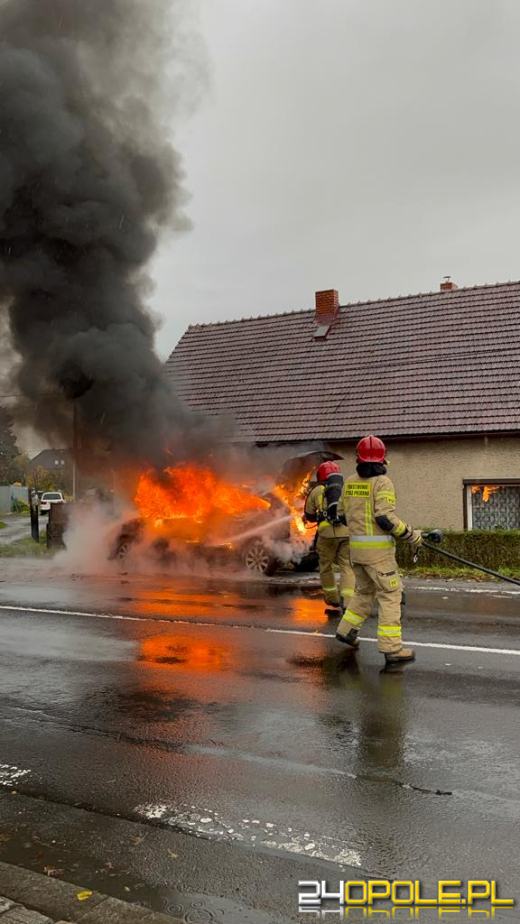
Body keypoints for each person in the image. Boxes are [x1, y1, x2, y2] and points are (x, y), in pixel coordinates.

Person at [335, 435, 422, 664]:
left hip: (356, 553)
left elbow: (341, 515)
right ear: (383, 459)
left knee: (364, 593)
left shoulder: (349, 482)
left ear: (358, 458)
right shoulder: (383, 483)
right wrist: (411, 535)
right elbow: (384, 518)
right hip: (379, 556)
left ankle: (346, 630)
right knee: (391, 594)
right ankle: (392, 649)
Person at [304, 461, 355, 617]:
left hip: (326, 535)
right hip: (346, 532)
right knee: (347, 566)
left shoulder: (317, 490)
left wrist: (320, 515)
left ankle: (332, 598)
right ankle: (348, 602)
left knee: (326, 566)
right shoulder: (346, 488)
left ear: (320, 475)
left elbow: (309, 515)